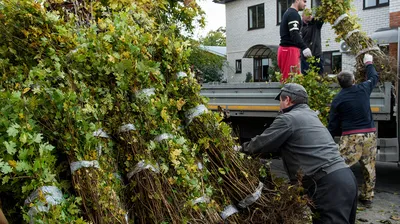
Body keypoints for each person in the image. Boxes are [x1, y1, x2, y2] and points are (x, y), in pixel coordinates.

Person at [241, 83, 357, 224]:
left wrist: (240, 150)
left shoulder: (288, 119)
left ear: (288, 100)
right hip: (346, 178)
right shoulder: (311, 116)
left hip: (329, 186)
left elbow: (260, 144)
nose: (279, 105)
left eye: (280, 101)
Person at [328, 53, 378, 208]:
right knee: (369, 167)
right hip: (369, 135)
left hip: (351, 137)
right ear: (354, 81)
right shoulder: (363, 89)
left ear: (339, 84)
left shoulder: (338, 99)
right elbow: (374, 77)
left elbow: (333, 124)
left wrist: (327, 137)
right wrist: (368, 62)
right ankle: (367, 197)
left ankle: (338, 196)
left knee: (341, 166)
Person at [278, 0, 312, 81]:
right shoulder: (293, 14)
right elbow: (294, 33)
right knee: (290, 80)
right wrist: (304, 47)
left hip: (288, 49)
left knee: (293, 79)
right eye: (304, 1)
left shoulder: (289, 13)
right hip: (289, 50)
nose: (305, 4)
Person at [300, 9, 324, 75]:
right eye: (307, 14)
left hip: (317, 54)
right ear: (302, 16)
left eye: (310, 14)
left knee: (319, 76)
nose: (309, 16)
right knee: (306, 76)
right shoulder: (300, 27)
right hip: (306, 56)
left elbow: (322, 19)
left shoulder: (316, 24)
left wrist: (314, 19)